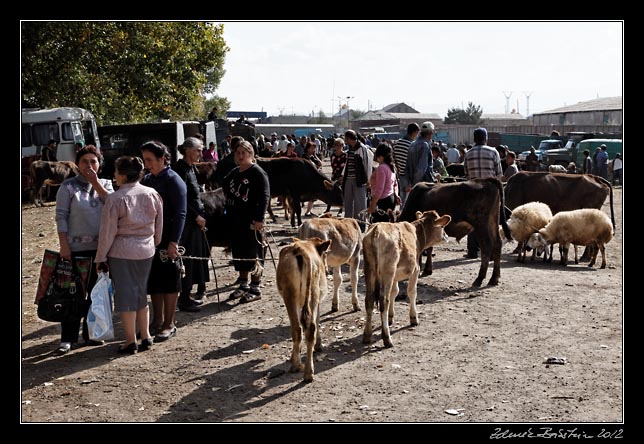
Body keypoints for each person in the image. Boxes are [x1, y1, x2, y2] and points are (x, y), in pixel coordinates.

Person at [95, 156, 163, 354]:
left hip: (122, 252)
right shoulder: (152, 193)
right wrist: (153, 242)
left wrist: (100, 257)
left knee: (125, 296)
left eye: (116, 172)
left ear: (123, 175)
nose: (114, 176)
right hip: (147, 249)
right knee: (141, 293)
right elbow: (159, 227)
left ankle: (130, 340)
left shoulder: (115, 198)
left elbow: (107, 232)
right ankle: (146, 336)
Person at [53, 145, 114, 355]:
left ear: (99, 163)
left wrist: (95, 182)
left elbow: (113, 205)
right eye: (85, 162)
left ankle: (91, 333)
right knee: (72, 294)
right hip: (75, 249)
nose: (89, 165)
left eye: (93, 161)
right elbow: (61, 216)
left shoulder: (106, 184)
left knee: (95, 293)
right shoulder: (68, 187)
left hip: (100, 250)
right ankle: (67, 338)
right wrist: (64, 245)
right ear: (77, 164)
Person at [140, 141, 187, 342]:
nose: (147, 164)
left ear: (162, 159)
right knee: (154, 281)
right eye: (144, 160)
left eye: (150, 160)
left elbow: (180, 213)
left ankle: (169, 323)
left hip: (169, 239)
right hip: (151, 240)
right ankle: (156, 320)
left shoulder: (174, 180)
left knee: (170, 281)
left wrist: (174, 242)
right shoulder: (148, 180)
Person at [223, 141, 270, 304]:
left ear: (251, 153)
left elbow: (265, 197)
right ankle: (243, 284)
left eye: (244, 152)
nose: (241, 156)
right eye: (238, 153)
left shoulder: (257, 172)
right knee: (240, 251)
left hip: (253, 220)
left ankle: (255, 287)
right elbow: (224, 184)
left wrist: (259, 218)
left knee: (254, 252)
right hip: (237, 219)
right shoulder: (234, 172)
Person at [172, 137, 210, 311]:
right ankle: (184, 297)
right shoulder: (179, 170)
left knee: (196, 258)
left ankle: (188, 293)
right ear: (188, 151)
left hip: (195, 222)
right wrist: (196, 216)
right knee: (187, 258)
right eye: (198, 150)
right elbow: (182, 199)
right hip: (186, 222)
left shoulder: (191, 169)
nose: (201, 153)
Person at [463, 127, 502, 258]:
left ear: (474, 139)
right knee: (491, 221)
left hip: (472, 191)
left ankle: (472, 251)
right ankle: (491, 252)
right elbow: (499, 175)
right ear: (486, 138)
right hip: (490, 192)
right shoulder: (493, 152)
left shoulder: (468, 154)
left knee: (473, 220)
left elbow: (467, 174)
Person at [341, 130, 373, 220]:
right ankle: (348, 221)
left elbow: (367, 165)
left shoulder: (362, 149)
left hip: (359, 180)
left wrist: (368, 180)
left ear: (349, 138)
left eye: (346, 138)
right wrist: (343, 175)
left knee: (360, 203)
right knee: (348, 202)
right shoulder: (350, 149)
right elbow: (347, 163)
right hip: (348, 179)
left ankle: (360, 223)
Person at [367, 144, 399, 215]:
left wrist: (372, 204)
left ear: (380, 156)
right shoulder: (392, 167)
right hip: (390, 198)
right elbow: (395, 184)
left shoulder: (381, 168)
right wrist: (396, 195)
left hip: (382, 201)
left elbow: (379, 189)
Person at [393, 123, 419, 207]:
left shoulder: (397, 143)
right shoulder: (412, 145)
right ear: (414, 132)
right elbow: (413, 164)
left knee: (402, 200)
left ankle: (400, 215)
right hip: (409, 177)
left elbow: (394, 159)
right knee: (408, 201)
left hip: (400, 175)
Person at [406, 121, 435, 190]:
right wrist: (415, 184)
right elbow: (421, 168)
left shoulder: (412, 144)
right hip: (424, 185)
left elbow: (408, 166)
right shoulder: (425, 145)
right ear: (430, 133)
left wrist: (410, 182)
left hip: (413, 183)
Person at [325, 138, 347, 214]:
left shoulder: (345, 156)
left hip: (342, 177)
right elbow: (332, 165)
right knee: (331, 192)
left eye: (339, 145)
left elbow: (345, 167)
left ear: (342, 146)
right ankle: (328, 209)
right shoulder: (333, 155)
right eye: (336, 145)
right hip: (334, 176)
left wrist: (342, 176)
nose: (337, 147)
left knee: (341, 193)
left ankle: (340, 210)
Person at [302, 141, 323, 217]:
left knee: (313, 196)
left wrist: (315, 156)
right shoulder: (304, 156)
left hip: (313, 179)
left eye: (314, 149)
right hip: (306, 178)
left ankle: (309, 211)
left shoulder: (312, 157)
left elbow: (320, 163)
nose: (313, 150)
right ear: (307, 149)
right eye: (312, 148)